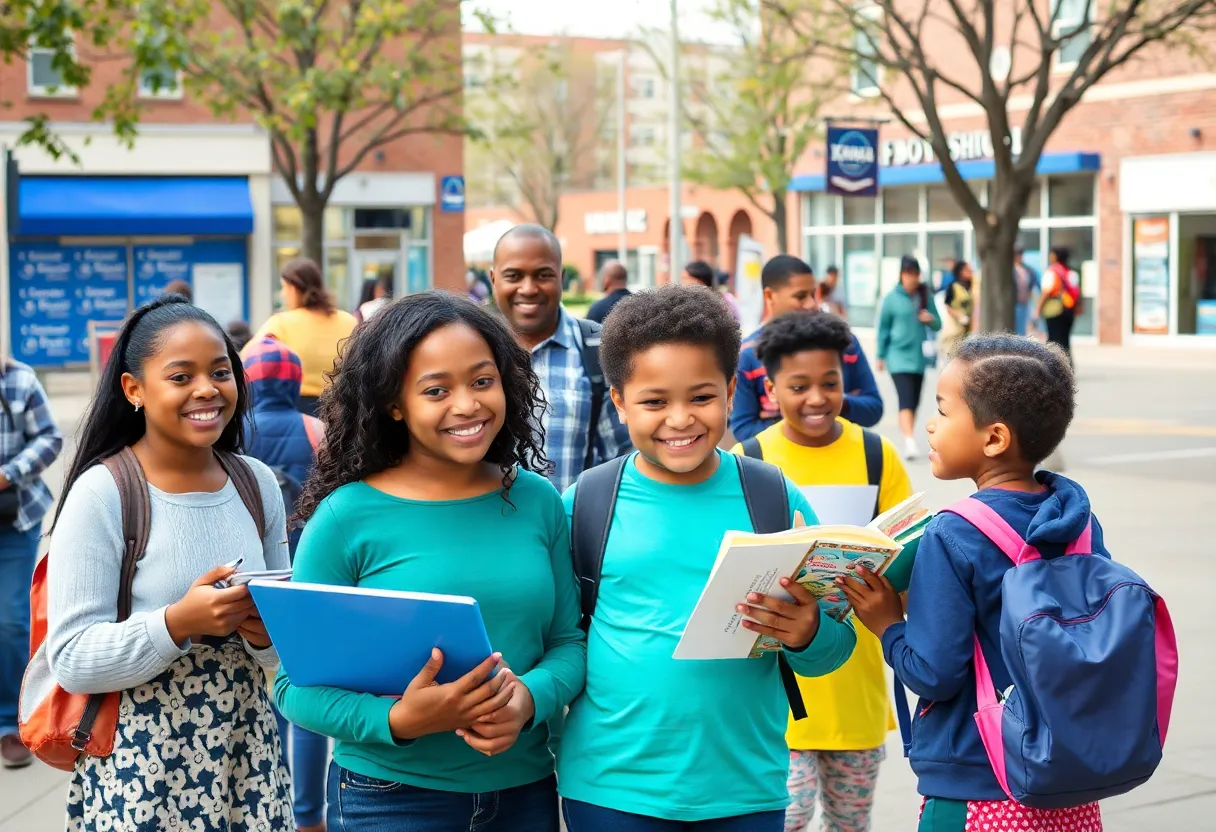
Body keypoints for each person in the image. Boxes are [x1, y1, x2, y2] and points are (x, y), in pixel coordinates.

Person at [276, 292, 585, 831]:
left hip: (524, 791)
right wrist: (397, 719)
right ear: (395, 403)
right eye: (436, 390)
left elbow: (568, 643)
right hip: (389, 798)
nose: (467, 405)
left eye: (482, 382)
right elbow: (293, 686)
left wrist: (528, 701)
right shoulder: (345, 517)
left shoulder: (537, 501)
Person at [559, 285, 857, 832]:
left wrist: (807, 631)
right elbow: (559, 637)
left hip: (744, 789)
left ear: (727, 391)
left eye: (700, 397)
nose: (680, 420)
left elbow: (834, 649)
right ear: (620, 401)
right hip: (610, 788)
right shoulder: (586, 500)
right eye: (654, 402)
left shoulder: (773, 497)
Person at [839, 335, 1104, 832]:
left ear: (994, 438)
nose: (931, 425)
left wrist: (888, 624)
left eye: (942, 411)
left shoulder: (953, 532)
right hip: (1068, 779)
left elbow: (935, 674)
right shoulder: (1078, 519)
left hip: (977, 784)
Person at [46, 295, 292, 828]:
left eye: (221, 372)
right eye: (181, 376)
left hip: (249, 760)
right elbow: (70, 656)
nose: (207, 389)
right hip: (140, 768)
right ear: (134, 389)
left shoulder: (259, 483)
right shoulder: (104, 492)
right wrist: (179, 622)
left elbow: (288, 654)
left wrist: (262, 633)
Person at [737, 311, 914, 832]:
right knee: (784, 819)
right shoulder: (749, 459)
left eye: (830, 383)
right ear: (769, 388)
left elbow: (906, 563)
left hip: (856, 685)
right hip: (775, 692)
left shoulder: (878, 456)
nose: (816, 398)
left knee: (850, 824)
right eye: (798, 386)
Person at [241, 336, 329, 832]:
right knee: (310, 690)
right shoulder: (314, 428)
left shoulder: (238, 434)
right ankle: (309, 815)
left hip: (259, 577)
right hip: (310, 574)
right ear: (296, 380)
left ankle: (273, 796)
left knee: (273, 685)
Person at [491, 224, 631, 492]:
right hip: (491, 529)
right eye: (514, 276)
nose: (528, 288)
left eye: (543, 275)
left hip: (575, 528)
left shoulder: (600, 348)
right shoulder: (472, 351)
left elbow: (623, 457)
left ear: (561, 278)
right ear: (493, 279)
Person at [732, 255, 883, 442]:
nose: (812, 304)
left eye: (829, 383)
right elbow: (743, 428)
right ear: (770, 296)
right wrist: (798, 418)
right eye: (800, 296)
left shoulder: (844, 343)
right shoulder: (747, 355)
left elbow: (874, 409)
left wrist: (834, 403)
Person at [0, 359, 63, 770]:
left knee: (11, 619)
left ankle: (11, 719)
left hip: (14, 518)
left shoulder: (19, 379)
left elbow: (49, 438)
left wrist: (7, 474)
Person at [247, 258, 357, 418]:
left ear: (295, 288)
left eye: (284, 287)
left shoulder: (281, 323)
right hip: (344, 409)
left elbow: (248, 357)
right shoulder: (349, 321)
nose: (283, 294)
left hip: (298, 410)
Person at [877, 255, 943, 460]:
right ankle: (909, 440)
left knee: (914, 401)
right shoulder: (891, 299)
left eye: (915, 274)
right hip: (897, 357)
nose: (912, 279)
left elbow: (938, 324)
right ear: (901, 275)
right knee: (905, 398)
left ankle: (909, 435)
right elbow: (883, 329)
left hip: (918, 358)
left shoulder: (924, 296)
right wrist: (880, 355)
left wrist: (929, 318)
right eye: (908, 274)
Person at [1036, 246, 1081, 363]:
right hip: (1069, 311)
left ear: (1055, 256)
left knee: (1054, 341)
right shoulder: (1071, 272)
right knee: (1065, 341)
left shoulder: (1052, 272)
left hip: (1054, 311)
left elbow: (1046, 292)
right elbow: (1077, 293)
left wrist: (1038, 309)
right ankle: (1068, 366)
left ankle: (1054, 367)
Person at [940, 260, 974, 357]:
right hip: (954, 331)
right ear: (961, 272)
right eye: (967, 270)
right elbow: (947, 305)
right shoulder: (953, 287)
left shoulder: (970, 287)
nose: (970, 272)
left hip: (966, 332)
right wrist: (959, 315)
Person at [1012, 245, 1040, 337]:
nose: (1019, 257)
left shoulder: (1028, 270)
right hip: (1013, 303)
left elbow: (1034, 284)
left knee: (1023, 329)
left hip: (1025, 302)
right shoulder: (1010, 270)